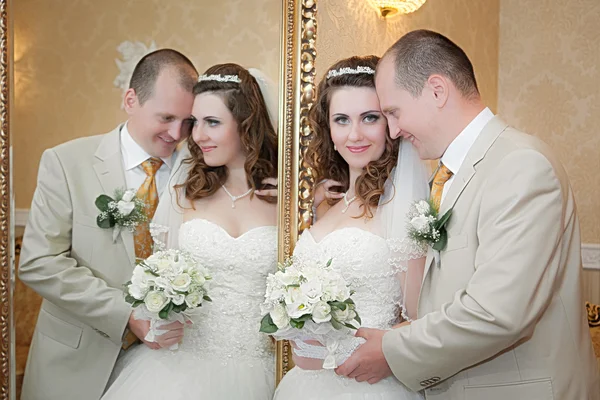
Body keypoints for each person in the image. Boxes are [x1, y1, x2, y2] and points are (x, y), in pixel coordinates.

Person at [337, 29, 600, 399]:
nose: (393, 131)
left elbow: (498, 312)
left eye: (394, 112)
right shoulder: (446, 176)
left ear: (437, 90)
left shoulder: (520, 165)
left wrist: (391, 350)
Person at [18, 49, 199, 400]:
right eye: (166, 117)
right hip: (75, 362)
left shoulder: (202, 171)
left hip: (170, 366)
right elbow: (39, 262)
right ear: (130, 100)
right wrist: (125, 314)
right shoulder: (66, 163)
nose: (176, 133)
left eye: (188, 121)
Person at [102, 63, 279, 400]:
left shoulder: (286, 199)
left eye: (212, 122)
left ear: (246, 125)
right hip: (177, 368)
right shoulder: (186, 189)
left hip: (260, 367)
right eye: (194, 123)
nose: (197, 136)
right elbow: (159, 272)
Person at [273, 55, 429, 400]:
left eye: (369, 118)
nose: (354, 134)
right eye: (341, 120)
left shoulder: (404, 210)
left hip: (370, 388)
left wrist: (382, 351)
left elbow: (424, 318)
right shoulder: (328, 204)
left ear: (390, 122)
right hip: (305, 386)